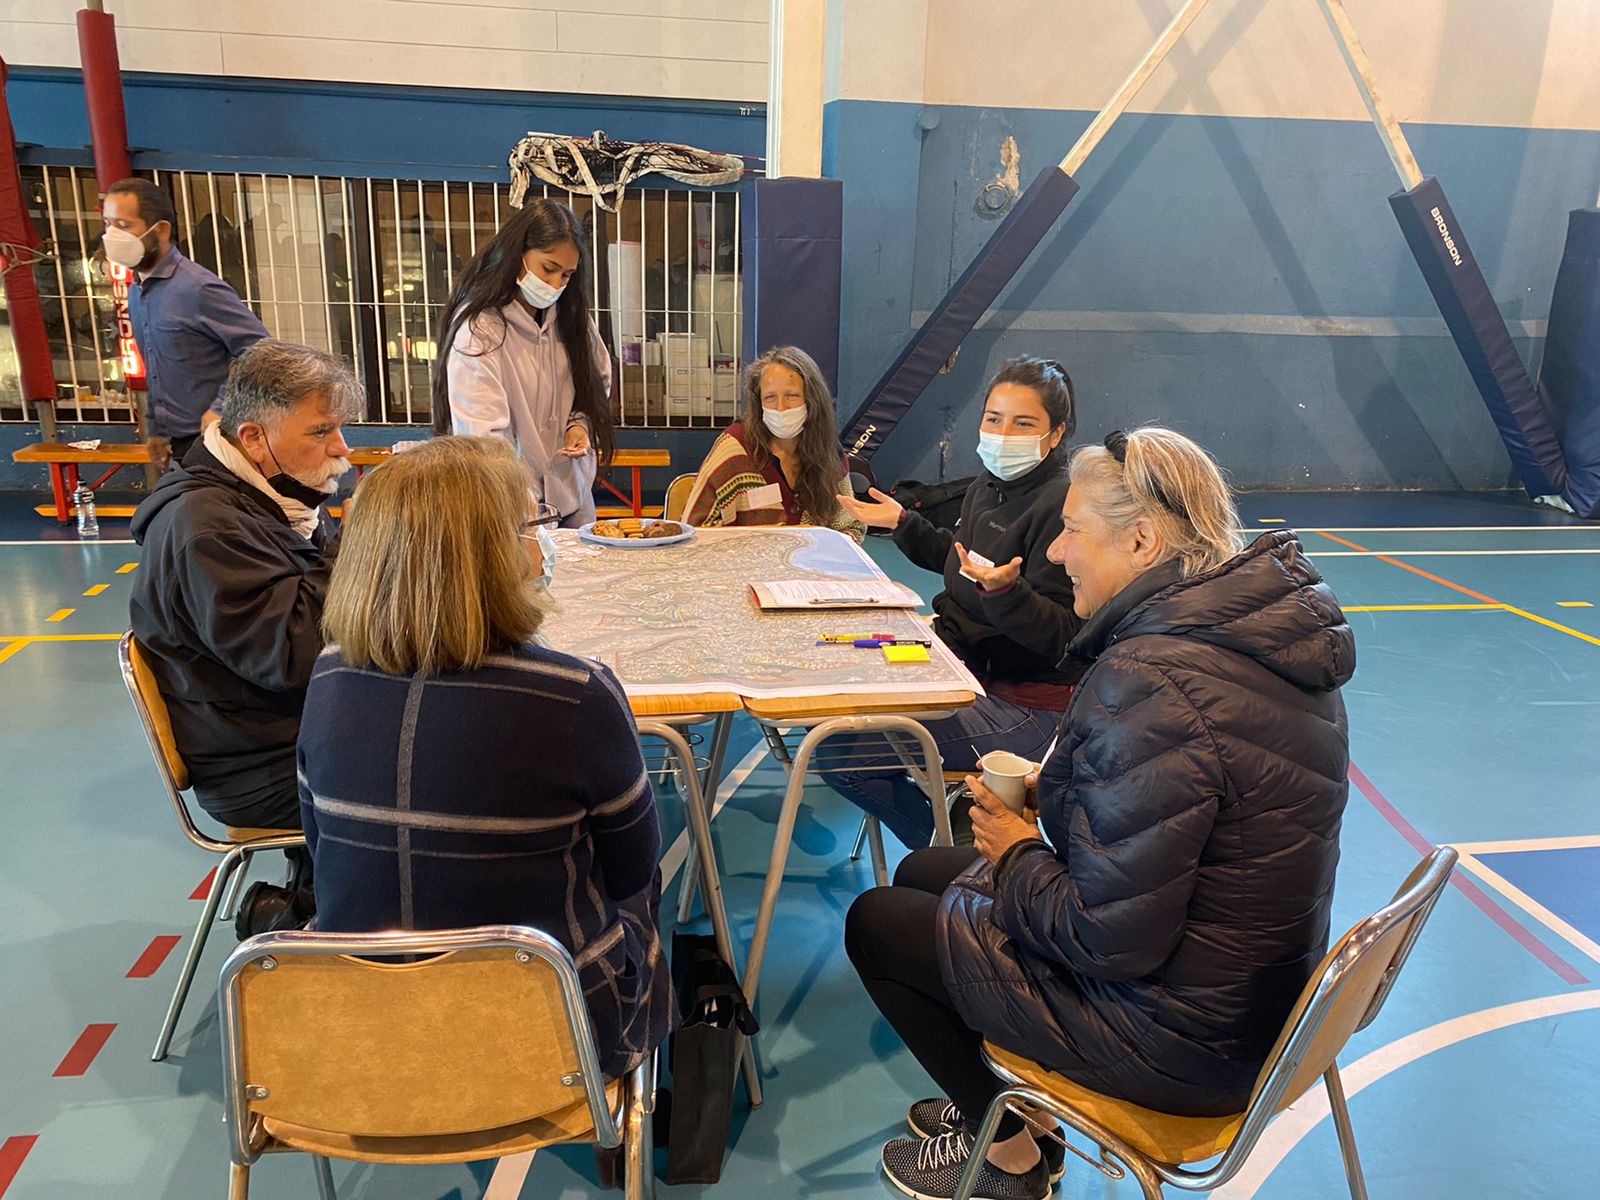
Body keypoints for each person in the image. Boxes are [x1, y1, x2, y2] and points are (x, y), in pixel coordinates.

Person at [844, 426, 1355, 1200]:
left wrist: (1017, 849)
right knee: (926, 868)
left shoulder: (1151, 679)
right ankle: (1018, 1110)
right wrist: (1072, 792)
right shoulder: (1265, 640)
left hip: (1173, 1040)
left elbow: (1106, 936)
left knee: (879, 922)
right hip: (1251, 1002)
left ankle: (1014, 1157)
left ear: (1143, 540)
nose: (1054, 552)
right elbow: (1198, 820)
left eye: (1073, 530)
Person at [299, 436, 672, 1077]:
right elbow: (633, 871)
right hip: (549, 1035)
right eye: (534, 523)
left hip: (363, 1031)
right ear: (489, 554)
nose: (545, 542)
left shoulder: (328, 676)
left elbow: (317, 842)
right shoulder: (576, 694)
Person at [130, 340, 356, 933]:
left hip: (284, 731)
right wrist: (365, 549)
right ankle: (355, 925)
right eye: (321, 432)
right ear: (254, 437)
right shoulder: (207, 526)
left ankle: (323, 902)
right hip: (261, 765)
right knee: (456, 759)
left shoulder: (273, 496)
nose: (341, 450)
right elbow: (293, 654)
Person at [826, 357, 1082, 848]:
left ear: (1055, 434)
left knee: (843, 754)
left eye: (1023, 423)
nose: (1003, 433)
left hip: (1024, 703)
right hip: (957, 668)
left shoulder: (1063, 504)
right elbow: (962, 562)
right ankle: (964, 842)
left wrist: (1006, 593)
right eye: (993, 418)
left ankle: (964, 859)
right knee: (842, 686)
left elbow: (1063, 638)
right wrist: (903, 523)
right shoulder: (987, 486)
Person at [434, 197, 613, 527]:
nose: (555, 285)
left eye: (567, 275)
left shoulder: (572, 320)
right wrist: (522, 511)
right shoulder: (480, 330)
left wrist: (579, 424)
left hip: (572, 497)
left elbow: (596, 383)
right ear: (516, 255)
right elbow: (485, 439)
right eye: (547, 268)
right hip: (514, 509)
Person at [103, 178, 269, 469]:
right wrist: (157, 430)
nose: (112, 235)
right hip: (179, 444)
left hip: (220, 441)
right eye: (108, 224)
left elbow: (262, 352)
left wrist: (222, 408)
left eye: (124, 225)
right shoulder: (137, 289)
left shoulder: (197, 288)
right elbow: (156, 367)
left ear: (162, 230)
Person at [682, 345, 865, 540]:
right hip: (746, 567)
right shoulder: (735, 448)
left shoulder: (829, 453)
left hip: (813, 565)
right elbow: (695, 530)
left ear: (813, 400)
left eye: (792, 396)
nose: (781, 407)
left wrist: (828, 552)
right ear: (758, 403)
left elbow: (851, 525)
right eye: (770, 398)